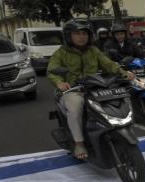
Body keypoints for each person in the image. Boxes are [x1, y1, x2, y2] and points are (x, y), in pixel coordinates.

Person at [47, 20, 135, 159]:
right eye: (77, 33)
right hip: (73, 90)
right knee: (75, 107)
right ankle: (79, 143)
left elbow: (108, 64)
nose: (81, 37)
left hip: (95, 87)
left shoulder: (94, 50)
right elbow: (51, 71)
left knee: (117, 99)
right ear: (69, 36)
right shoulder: (61, 52)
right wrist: (59, 82)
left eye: (84, 33)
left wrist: (123, 73)